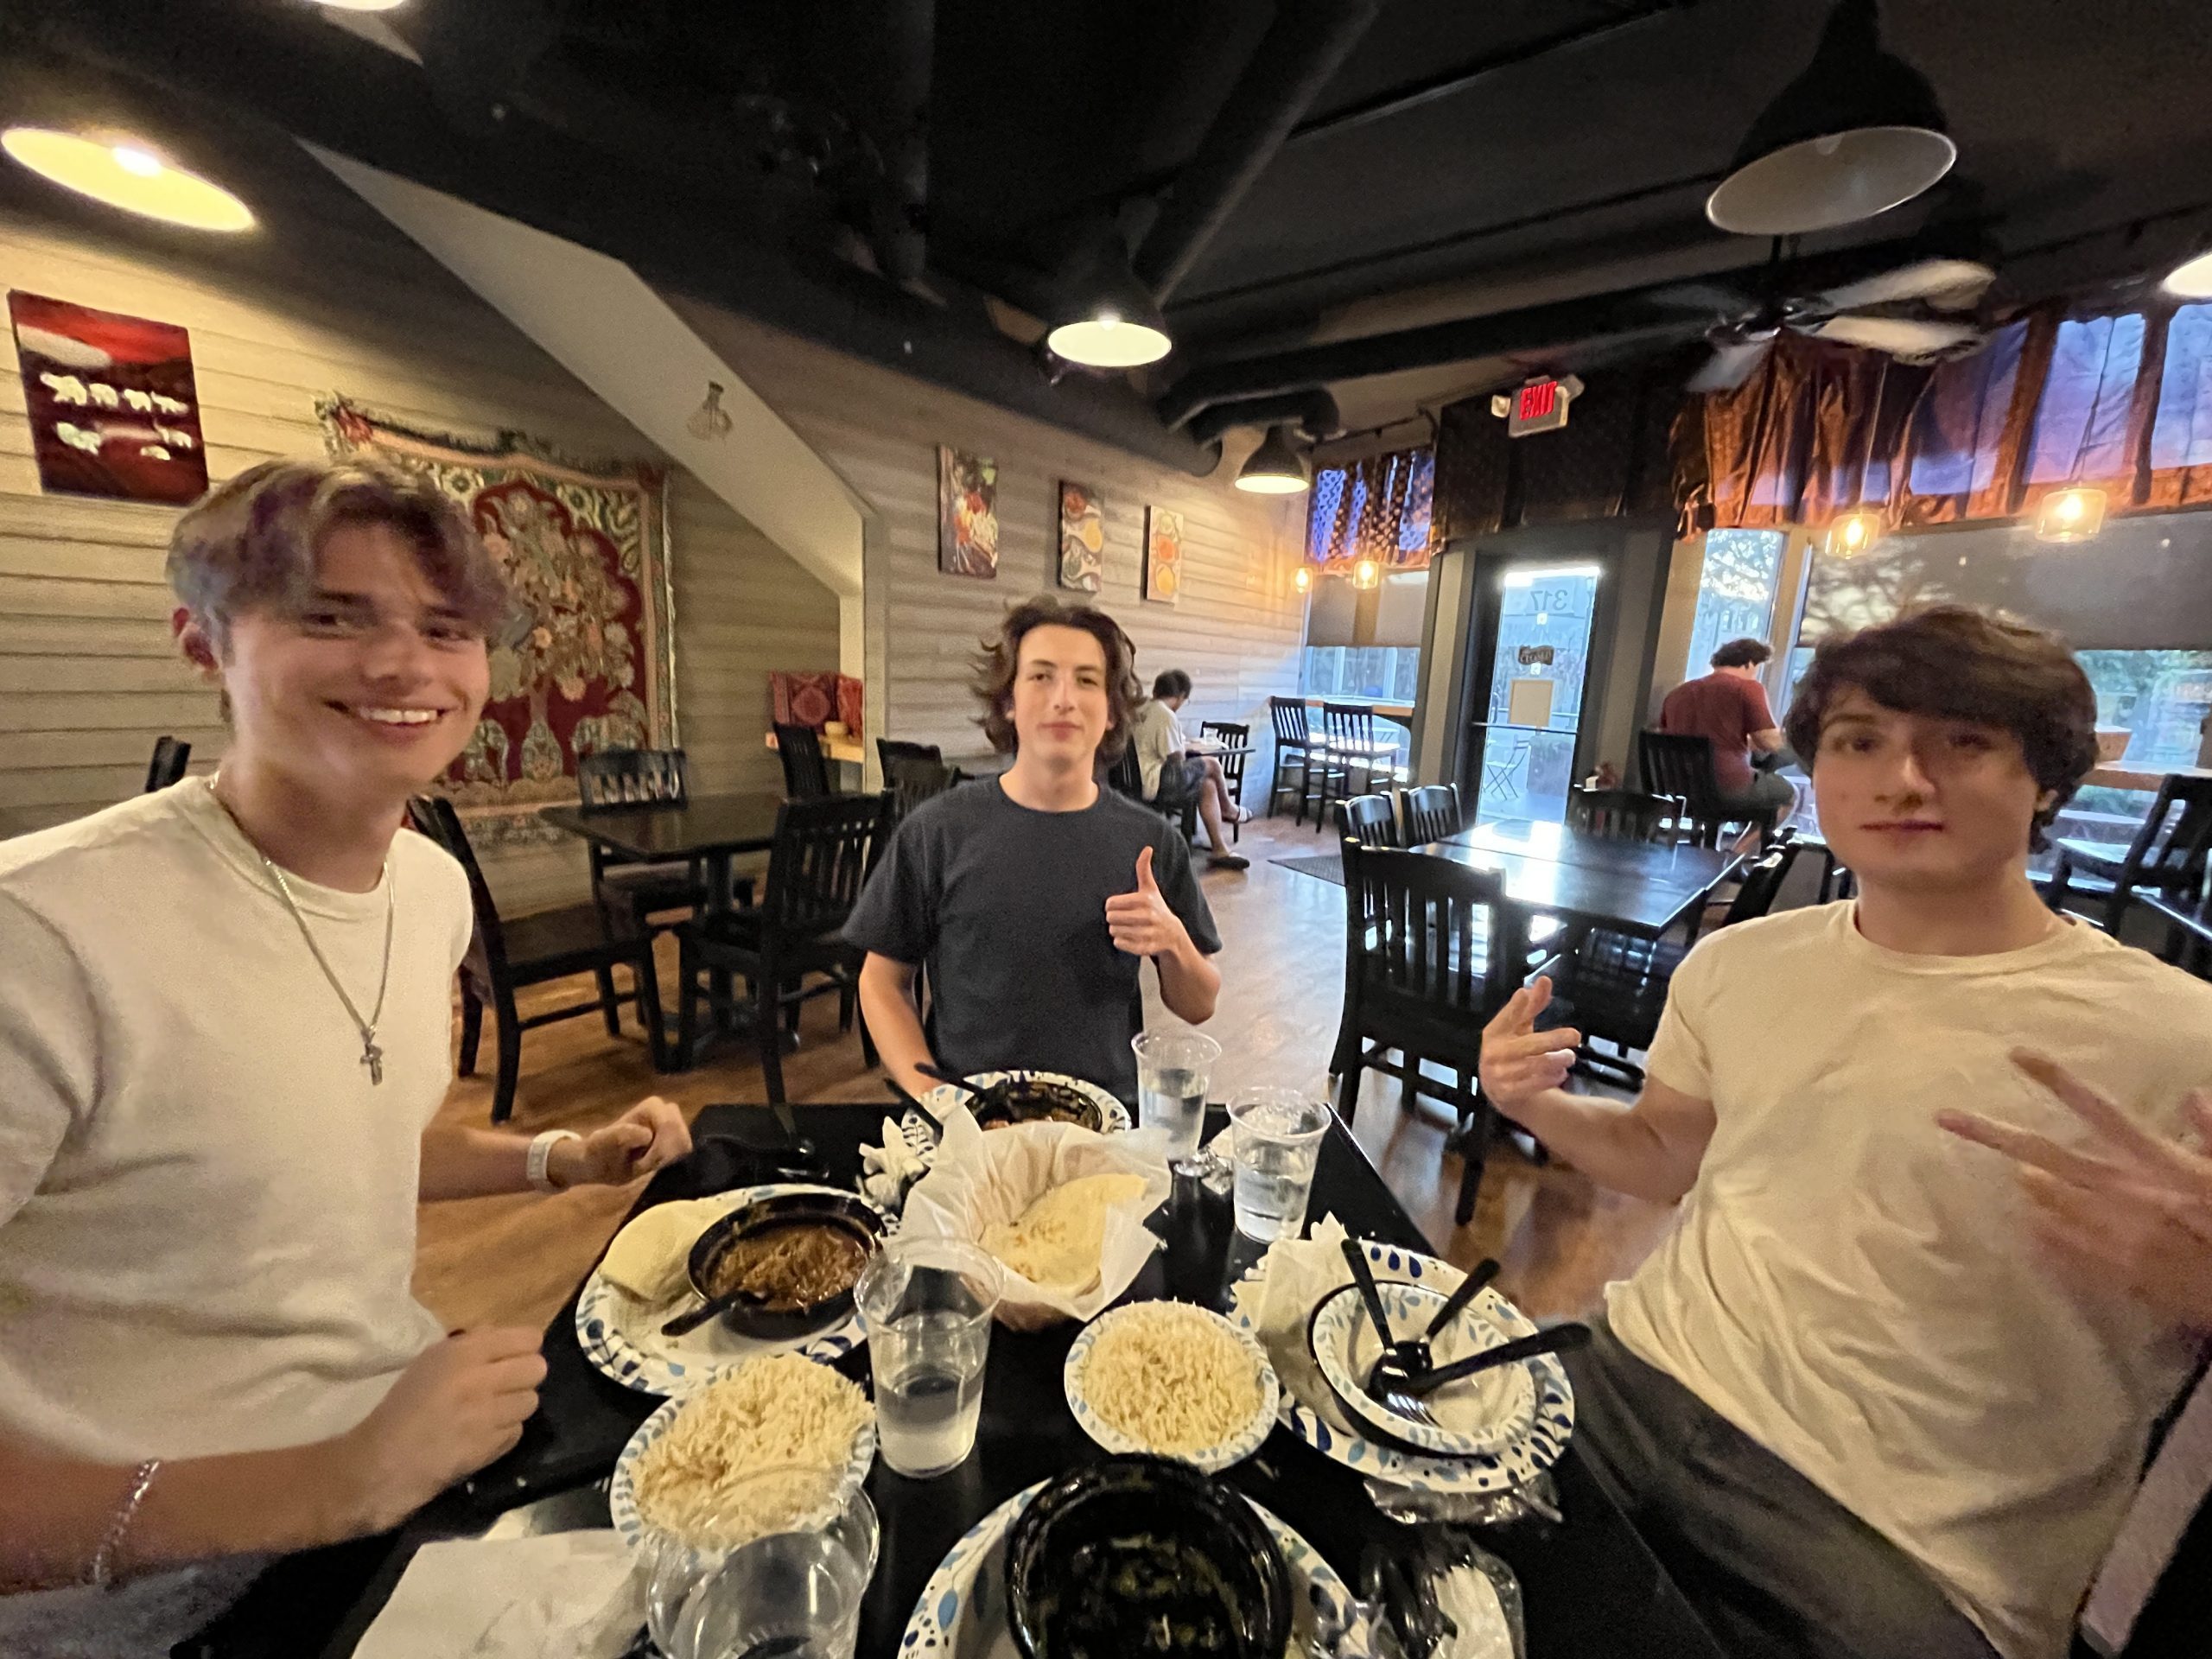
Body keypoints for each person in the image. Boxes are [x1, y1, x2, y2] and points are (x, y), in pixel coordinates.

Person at [0, 458, 694, 1657]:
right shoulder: (42, 938)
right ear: (204, 642)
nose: (405, 666)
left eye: (445, 626)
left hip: (406, 1475)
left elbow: (341, 1129)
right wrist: (333, 1482)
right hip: (161, 1611)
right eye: (331, 616)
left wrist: (558, 1160)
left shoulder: (427, 888)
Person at [1478, 605, 2212, 1659]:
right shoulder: (1737, 966)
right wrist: (1535, 1104)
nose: (1903, 781)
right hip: (1634, 1382)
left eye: (1963, 742)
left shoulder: (2177, 1040)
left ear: (2046, 778)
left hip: (1908, 1546)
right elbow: (1663, 1157)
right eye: (1861, 741)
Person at [849, 596, 1222, 1105]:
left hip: (1107, 1118)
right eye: (1041, 676)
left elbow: (1199, 1004)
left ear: (1112, 711)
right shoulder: (937, 831)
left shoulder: (1152, 843)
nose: (1063, 698)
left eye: (1087, 680)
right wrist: (931, 1093)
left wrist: (1173, 940)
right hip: (971, 1115)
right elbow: (882, 981)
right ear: (1009, 700)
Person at [1658, 637, 1797, 830]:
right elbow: (1770, 742)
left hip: (1679, 788)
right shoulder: (1748, 688)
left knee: (1759, 764)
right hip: (1728, 788)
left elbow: (1674, 736)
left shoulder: (1677, 694)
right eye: (1757, 668)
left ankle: (1707, 841)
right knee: (1788, 792)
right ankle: (1740, 852)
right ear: (1749, 663)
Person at [1128, 668, 1251, 871]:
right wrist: (1185, 748)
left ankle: (1220, 849)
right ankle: (1229, 809)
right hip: (1158, 782)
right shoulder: (1164, 714)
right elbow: (1176, 758)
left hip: (1135, 782)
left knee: (1207, 784)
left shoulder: (1142, 709)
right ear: (1181, 696)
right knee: (1212, 763)